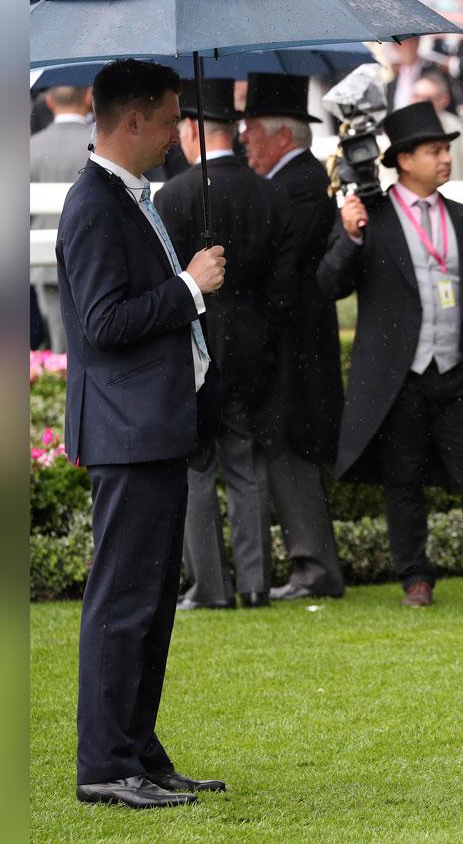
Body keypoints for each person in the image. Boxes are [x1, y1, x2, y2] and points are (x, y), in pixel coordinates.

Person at [58, 58, 228, 808]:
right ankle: (103, 765)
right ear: (133, 120)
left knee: (151, 602)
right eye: (167, 119)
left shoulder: (129, 197)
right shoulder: (94, 203)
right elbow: (101, 325)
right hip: (127, 433)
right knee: (124, 602)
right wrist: (189, 287)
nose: (174, 135)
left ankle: (138, 751)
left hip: (151, 429)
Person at [318, 101, 463, 607]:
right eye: (434, 151)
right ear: (403, 160)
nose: (446, 159)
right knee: (403, 481)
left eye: (447, 149)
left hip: (458, 372)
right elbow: (330, 285)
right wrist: (350, 237)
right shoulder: (368, 218)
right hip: (399, 377)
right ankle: (415, 579)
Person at [154, 79, 296, 611]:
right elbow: (284, 288)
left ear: (192, 131)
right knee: (247, 466)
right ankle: (255, 585)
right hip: (252, 350)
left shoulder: (172, 197)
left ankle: (210, 588)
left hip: (194, 350)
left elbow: (164, 286)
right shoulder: (269, 192)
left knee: (195, 469)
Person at [239, 72, 349, 603]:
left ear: (281, 136)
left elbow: (278, 259)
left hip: (296, 349)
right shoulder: (294, 180)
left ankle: (316, 568)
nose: (244, 143)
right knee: (285, 451)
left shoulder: (299, 184)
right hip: (294, 347)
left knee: (293, 453)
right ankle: (309, 564)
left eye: (251, 133)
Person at [30, 84, 94, 352]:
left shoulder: (30, 147)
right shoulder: (99, 145)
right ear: (89, 96)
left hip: (46, 265)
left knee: (61, 350)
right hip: (95, 260)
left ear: (49, 102)